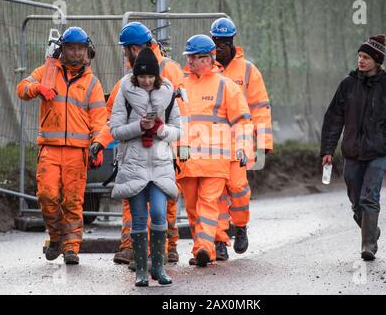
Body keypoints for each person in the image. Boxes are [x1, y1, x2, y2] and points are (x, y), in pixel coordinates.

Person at [92, 21, 188, 266]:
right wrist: (101, 142)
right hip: (137, 149)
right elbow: (113, 114)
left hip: (164, 149)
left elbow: (182, 112)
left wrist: (181, 143)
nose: (125, 54)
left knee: (162, 202)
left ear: (136, 47)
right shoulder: (128, 79)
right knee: (135, 199)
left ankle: (165, 248)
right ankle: (134, 249)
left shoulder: (169, 70)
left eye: (127, 49)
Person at [16, 27, 107, 265]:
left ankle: (71, 248)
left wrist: (98, 144)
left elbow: (99, 119)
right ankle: (56, 237)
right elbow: (22, 88)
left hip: (78, 152)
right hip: (50, 148)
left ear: (87, 51)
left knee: (73, 202)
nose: (76, 53)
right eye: (71, 48)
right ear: (62, 49)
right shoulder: (47, 72)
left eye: (80, 49)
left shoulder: (92, 83)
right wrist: (38, 88)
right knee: (46, 195)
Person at [320, 34, 386, 261]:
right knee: (356, 200)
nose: (361, 60)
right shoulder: (347, 85)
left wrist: (383, 141)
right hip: (351, 153)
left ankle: (368, 245)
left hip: (377, 153)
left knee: (369, 198)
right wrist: (328, 150)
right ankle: (371, 229)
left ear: (377, 60)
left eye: (366, 57)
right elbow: (333, 119)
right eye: (359, 56)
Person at [177, 34, 253, 267]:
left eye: (195, 58)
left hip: (215, 159)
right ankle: (205, 247)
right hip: (187, 160)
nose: (190, 61)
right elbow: (174, 121)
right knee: (192, 208)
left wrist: (242, 148)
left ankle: (204, 248)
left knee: (209, 204)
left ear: (209, 59)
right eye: (189, 57)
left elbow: (242, 121)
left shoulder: (225, 86)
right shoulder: (180, 85)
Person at [110, 48, 181, 286]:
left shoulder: (169, 94)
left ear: (157, 76)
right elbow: (116, 130)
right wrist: (139, 127)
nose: (147, 81)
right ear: (135, 76)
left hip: (160, 164)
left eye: (150, 76)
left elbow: (178, 129)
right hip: (134, 165)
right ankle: (141, 271)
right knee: (139, 218)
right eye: (142, 77)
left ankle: (158, 268)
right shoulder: (124, 92)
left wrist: (161, 130)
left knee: (160, 213)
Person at [209, 17, 273, 260]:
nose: (220, 47)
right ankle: (220, 242)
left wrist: (264, 142)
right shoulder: (206, 70)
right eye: (216, 42)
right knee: (215, 195)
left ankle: (241, 225)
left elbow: (260, 108)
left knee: (238, 189)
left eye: (224, 42)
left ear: (233, 41)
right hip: (212, 145)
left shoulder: (248, 70)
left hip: (239, 143)